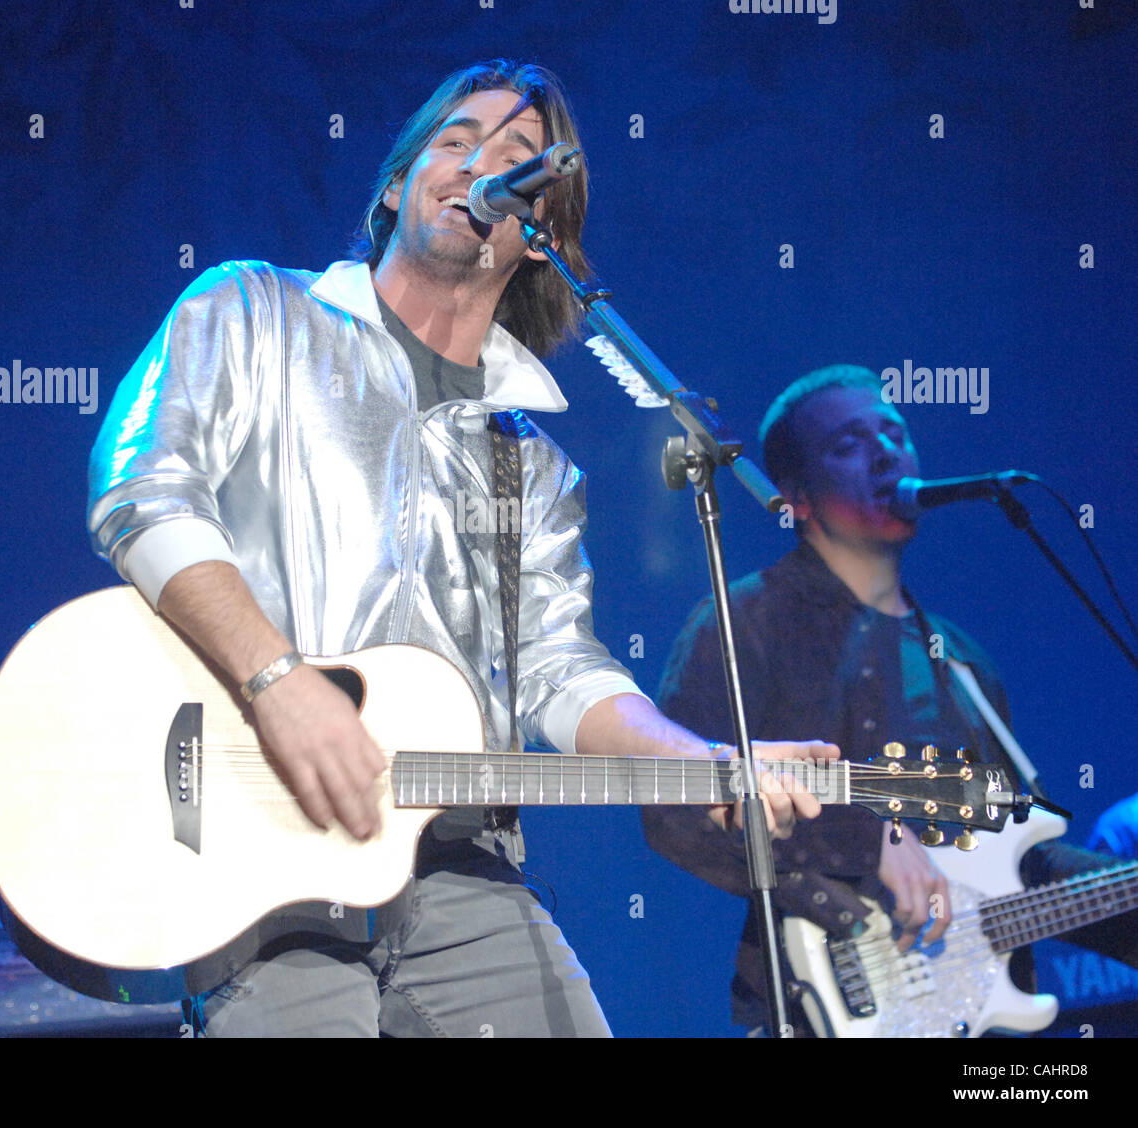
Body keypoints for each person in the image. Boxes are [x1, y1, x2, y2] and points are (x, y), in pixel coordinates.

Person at [86, 60, 835, 1038]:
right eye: (454, 142)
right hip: (252, 848)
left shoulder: (537, 464)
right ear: (396, 186)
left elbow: (558, 672)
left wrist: (702, 760)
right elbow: (140, 490)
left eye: (518, 162)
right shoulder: (252, 312)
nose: (480, 166)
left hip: (457, 867)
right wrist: (279, 682)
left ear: (540, 236)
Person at [642, 364, 1138, 1034]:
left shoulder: (961, 660)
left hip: (981, 1018)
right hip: (822, 1002)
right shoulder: (742, 621)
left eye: (895, 432)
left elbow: (1023, 853)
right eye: (848, 444)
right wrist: (861, 849)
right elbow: (672, 805)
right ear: (798, 496)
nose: (885, 453)